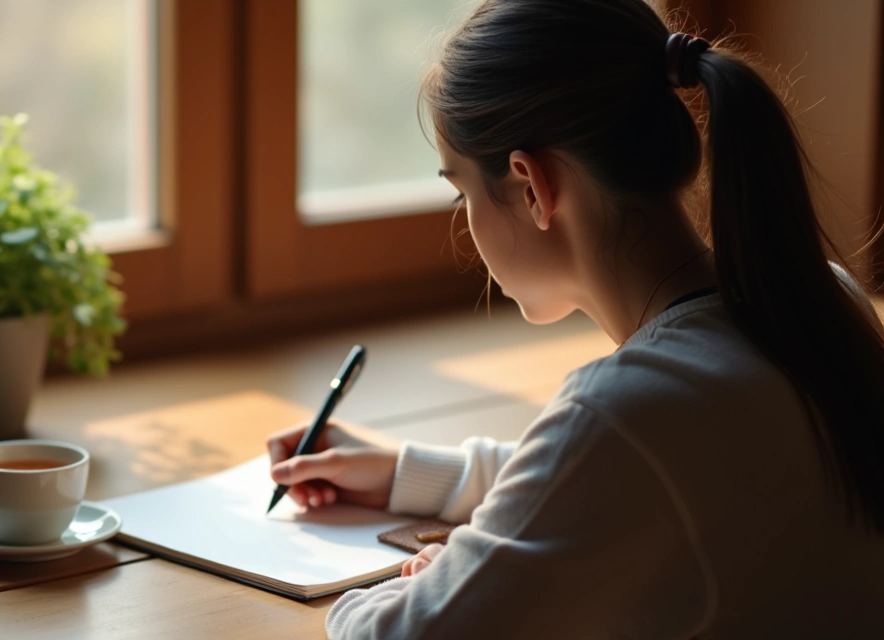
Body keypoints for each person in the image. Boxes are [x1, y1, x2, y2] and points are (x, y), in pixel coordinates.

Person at [266, 0, 884, 637]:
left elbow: (399, 635)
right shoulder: (818, 301)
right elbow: (628, 477)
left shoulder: (630, 409)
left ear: (531, 186)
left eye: (462, 192)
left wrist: (428, 581)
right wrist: (405, 474)